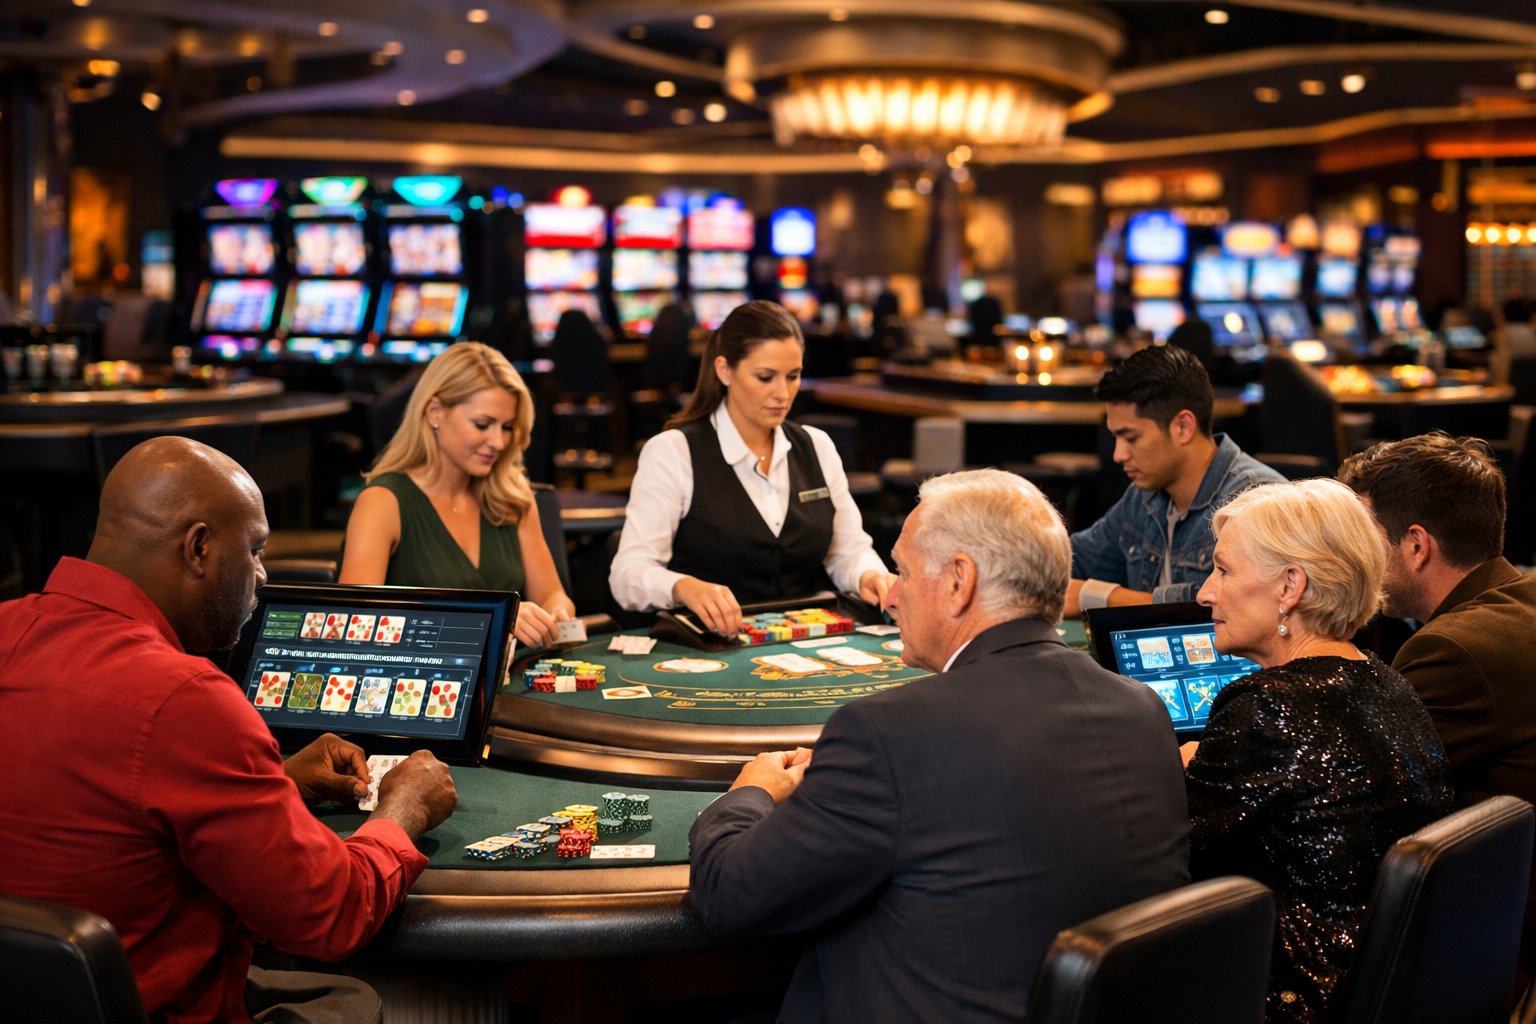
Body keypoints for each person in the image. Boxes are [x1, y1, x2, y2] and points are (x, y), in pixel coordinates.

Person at [689, 469, 1191, 1023]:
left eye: (902, 570)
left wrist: (751, 793)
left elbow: (728, 896)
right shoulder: (1143, 709)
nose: (892, 596)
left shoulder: (887, 734)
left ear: (959, 581)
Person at [0, 437, 457, 1023]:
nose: (262, 575)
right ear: (199, 549)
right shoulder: (187, 700)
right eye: (256, 550)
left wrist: (275, 783)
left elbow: (90, 804)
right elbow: (332, 916)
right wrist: (402, 809)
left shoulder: (12, 628)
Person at [1186, 478, 1452, 1023]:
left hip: (1292, 996)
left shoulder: (1265, 706)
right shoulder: (1385, 680)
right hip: (1391, 991)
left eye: (1224, 570)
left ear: (1290, 587)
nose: (1205, 593)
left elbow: (1170, 856)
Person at [1338, 432, 1536, 977]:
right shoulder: (1520, 601)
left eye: (1360, 537)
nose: (1350, 556)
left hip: (1491, 951)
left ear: (1417, 545)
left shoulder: (1451, 650)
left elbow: (1348, 792)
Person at [610, 300, 893, 637]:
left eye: (793, 376)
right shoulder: (673, 451)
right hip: (707, 650)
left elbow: (847, 551)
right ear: (724, 370)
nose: (782, 393)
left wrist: (870, 575)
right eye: (765, 377)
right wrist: (684, 587)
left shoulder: (817, 446)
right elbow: (627, 575)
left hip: (803, 640)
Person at [340, 342, 575, 648]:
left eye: (506, 427)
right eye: (483, 424)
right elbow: (355, 626)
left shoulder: (511, 495)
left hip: (509, 680)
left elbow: (551, 595)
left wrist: (556, 614)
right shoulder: (383, 502)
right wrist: (495, 620)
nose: (498, 442)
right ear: (435, 412)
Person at [1065, 343, 1283, 617]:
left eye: (1131, 438)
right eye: (1115, 438)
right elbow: (1070, 561)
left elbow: (1224, 609)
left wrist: (1103, 597)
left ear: (1183, 426)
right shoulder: (1143, 497)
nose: (1118, 455)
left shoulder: (1255, 500)